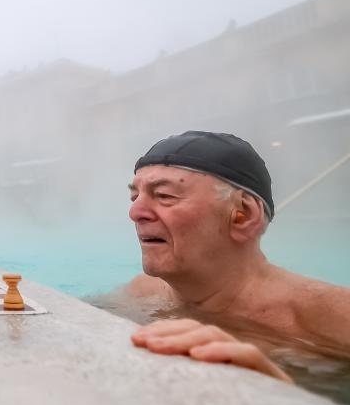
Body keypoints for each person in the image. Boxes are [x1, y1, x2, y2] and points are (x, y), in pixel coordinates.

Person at [111, 130, 349, 384]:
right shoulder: (142, 292)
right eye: (134, 196)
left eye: (164, 196)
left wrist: (284, 393)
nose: (135, 212)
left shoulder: (335, 319)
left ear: (243, 215)